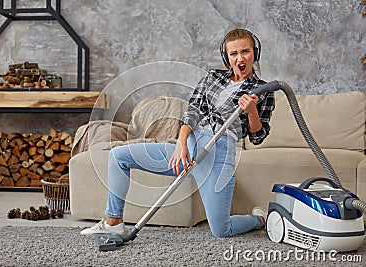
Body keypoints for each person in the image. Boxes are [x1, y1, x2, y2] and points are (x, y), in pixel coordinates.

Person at [80, 28, 275, 238]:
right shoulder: (213, 77)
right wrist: (181, 144)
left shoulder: (262, 90)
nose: (240, 58)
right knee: (118, 157)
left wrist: (252, 111)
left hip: (217, 154)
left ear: (255, 53)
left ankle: (260, 219)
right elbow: (192, 111)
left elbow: (257, 137)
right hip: (189, 147)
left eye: (245, 51)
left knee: (221, 230)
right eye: (233, 54)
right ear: (226, 57)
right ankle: (113, 221)